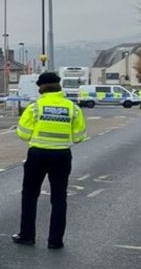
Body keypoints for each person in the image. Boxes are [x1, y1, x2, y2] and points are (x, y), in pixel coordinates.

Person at [12, 72, 87, 249]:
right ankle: (55, 241)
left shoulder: (35, 107)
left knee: (30, 195)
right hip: (61, 155)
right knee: (59, 198)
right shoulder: (72, 108)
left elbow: (22, 133)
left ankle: (27, 235)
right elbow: (79, 136)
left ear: (41, 88)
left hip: (37, 154)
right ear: (59, 86)